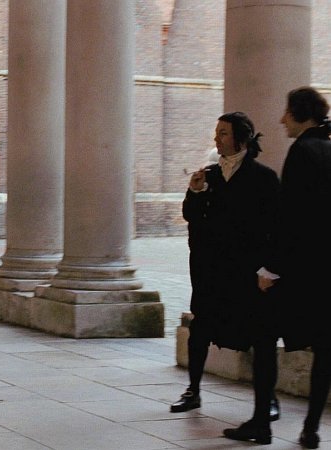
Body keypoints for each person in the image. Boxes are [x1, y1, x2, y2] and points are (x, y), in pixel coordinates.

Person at [170, 112, 281, 445]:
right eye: (216, 133)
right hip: (212, 269)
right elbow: (191, 216)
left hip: (247, 270)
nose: (216, 139)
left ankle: (267, 400)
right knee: (201, 327)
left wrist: (268, 267)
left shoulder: (263, 177)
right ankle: (193, 390)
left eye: (223, 133)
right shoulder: (211, 175)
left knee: (259, 336)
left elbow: (275, 225)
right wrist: (195, 192)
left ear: (240, 139)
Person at [260, 87, 331, 449]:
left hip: (301, 272)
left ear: (300, 114)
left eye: (286, 113)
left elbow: (290, 217)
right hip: (326, 271)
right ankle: (311, 427)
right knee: (325, 352)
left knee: (263, 334)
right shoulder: (328, 148)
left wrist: (271, 269)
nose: (281, 119)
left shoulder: (302, 151)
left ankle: (261, 419)